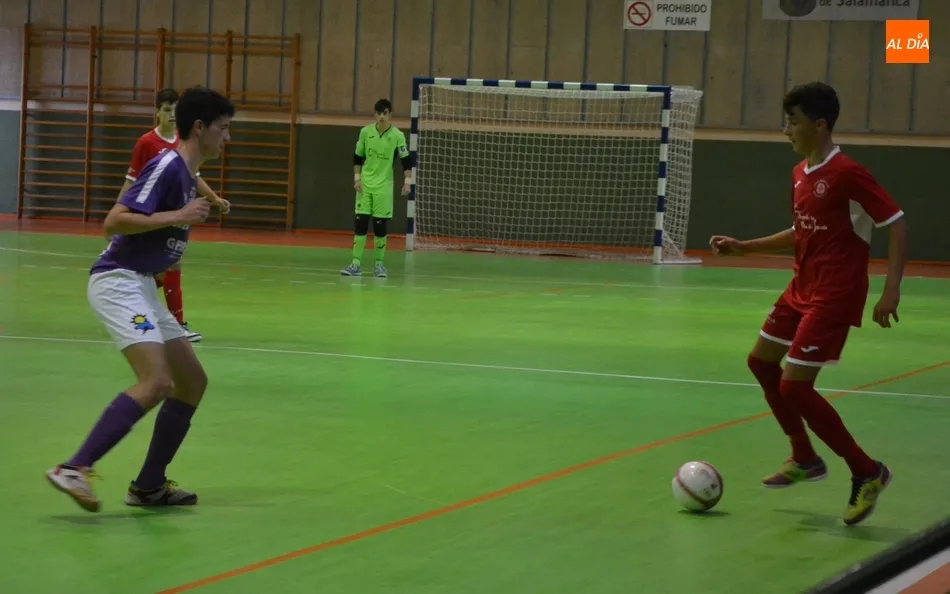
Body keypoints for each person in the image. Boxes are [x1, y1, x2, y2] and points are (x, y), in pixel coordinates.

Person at [709, 81, 908, 526]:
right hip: (801, 287)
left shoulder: (848, 173)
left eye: (793, 122)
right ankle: (804, 457)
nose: (786, 131)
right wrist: (746, 247)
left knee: (795, 387)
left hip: (835, 293)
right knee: (761, 362)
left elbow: (896, 224)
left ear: (819, 126)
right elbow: (802, 231)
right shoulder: (800, 172)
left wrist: (891, 289)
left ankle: (867, 471)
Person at [45, 87, 235, 512]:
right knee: (157, 381)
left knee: (192, 381)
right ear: (199, 128)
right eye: (223, 128)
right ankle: (74, 468)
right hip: (118, 281)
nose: (228, 137)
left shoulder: (188, 175)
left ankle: (148, 487)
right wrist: (179, 216)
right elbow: (114, 221)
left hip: (143, 284)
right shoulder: (166, 166)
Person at [117, 87, 232, 343]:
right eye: (166, 109)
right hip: (151, 217)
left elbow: (194, 177)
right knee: (162, 268)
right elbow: (130, 183)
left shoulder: (183, 148)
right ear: (157, 112)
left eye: (174, 110)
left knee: (164, 269)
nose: (227, 137)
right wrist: (122, 211)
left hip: (173, 220)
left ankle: (168, 319)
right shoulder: (150, 146)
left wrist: (213, 198)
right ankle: (174, 321)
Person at [340, 98, 412, 278]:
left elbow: (406, 161)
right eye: (379, 113)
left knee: (380, 227)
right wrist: (357, 179)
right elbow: (357, 157)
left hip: (383, 188)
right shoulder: (365, 132)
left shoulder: (397, 135)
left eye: (385, 113)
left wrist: (407, 182)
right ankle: (356, 264)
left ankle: (379, 265)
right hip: (365, 186)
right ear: (374, 115)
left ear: (390, 115)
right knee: (360, 224)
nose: (381, 117)